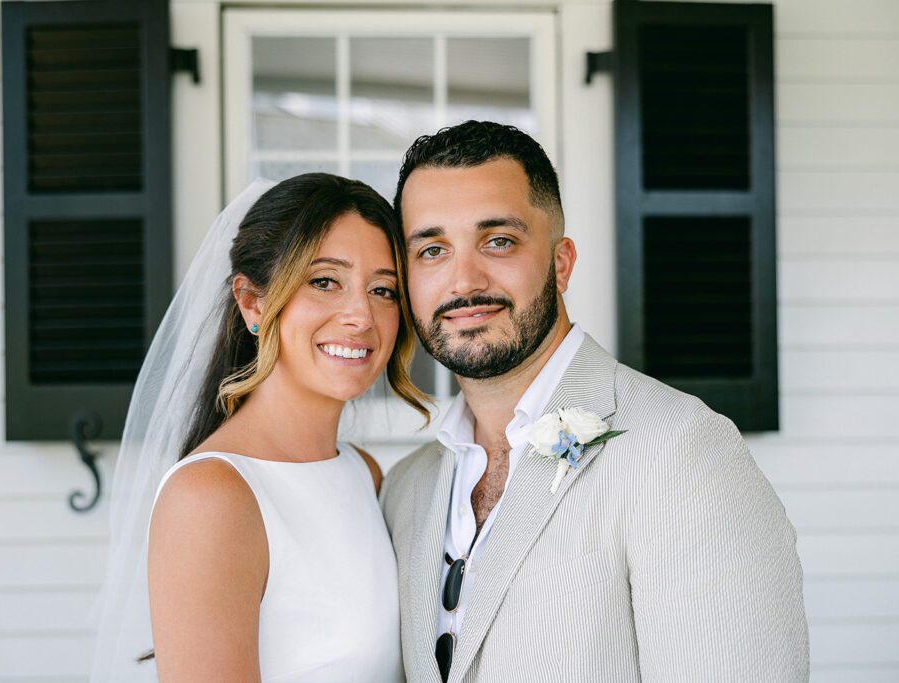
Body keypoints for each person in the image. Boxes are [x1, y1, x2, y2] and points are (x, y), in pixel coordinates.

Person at [380, 121, 809, 682]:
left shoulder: (682, 452)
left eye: (499, 241)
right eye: (432, 249)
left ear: (561, 263)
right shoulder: (407, 487)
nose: (464, 279)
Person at [90, 173, 428, 682]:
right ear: (252, 302)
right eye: (324, 281)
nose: (361, 315)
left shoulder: (366, 473)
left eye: (383, 289)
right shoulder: (212, 497)